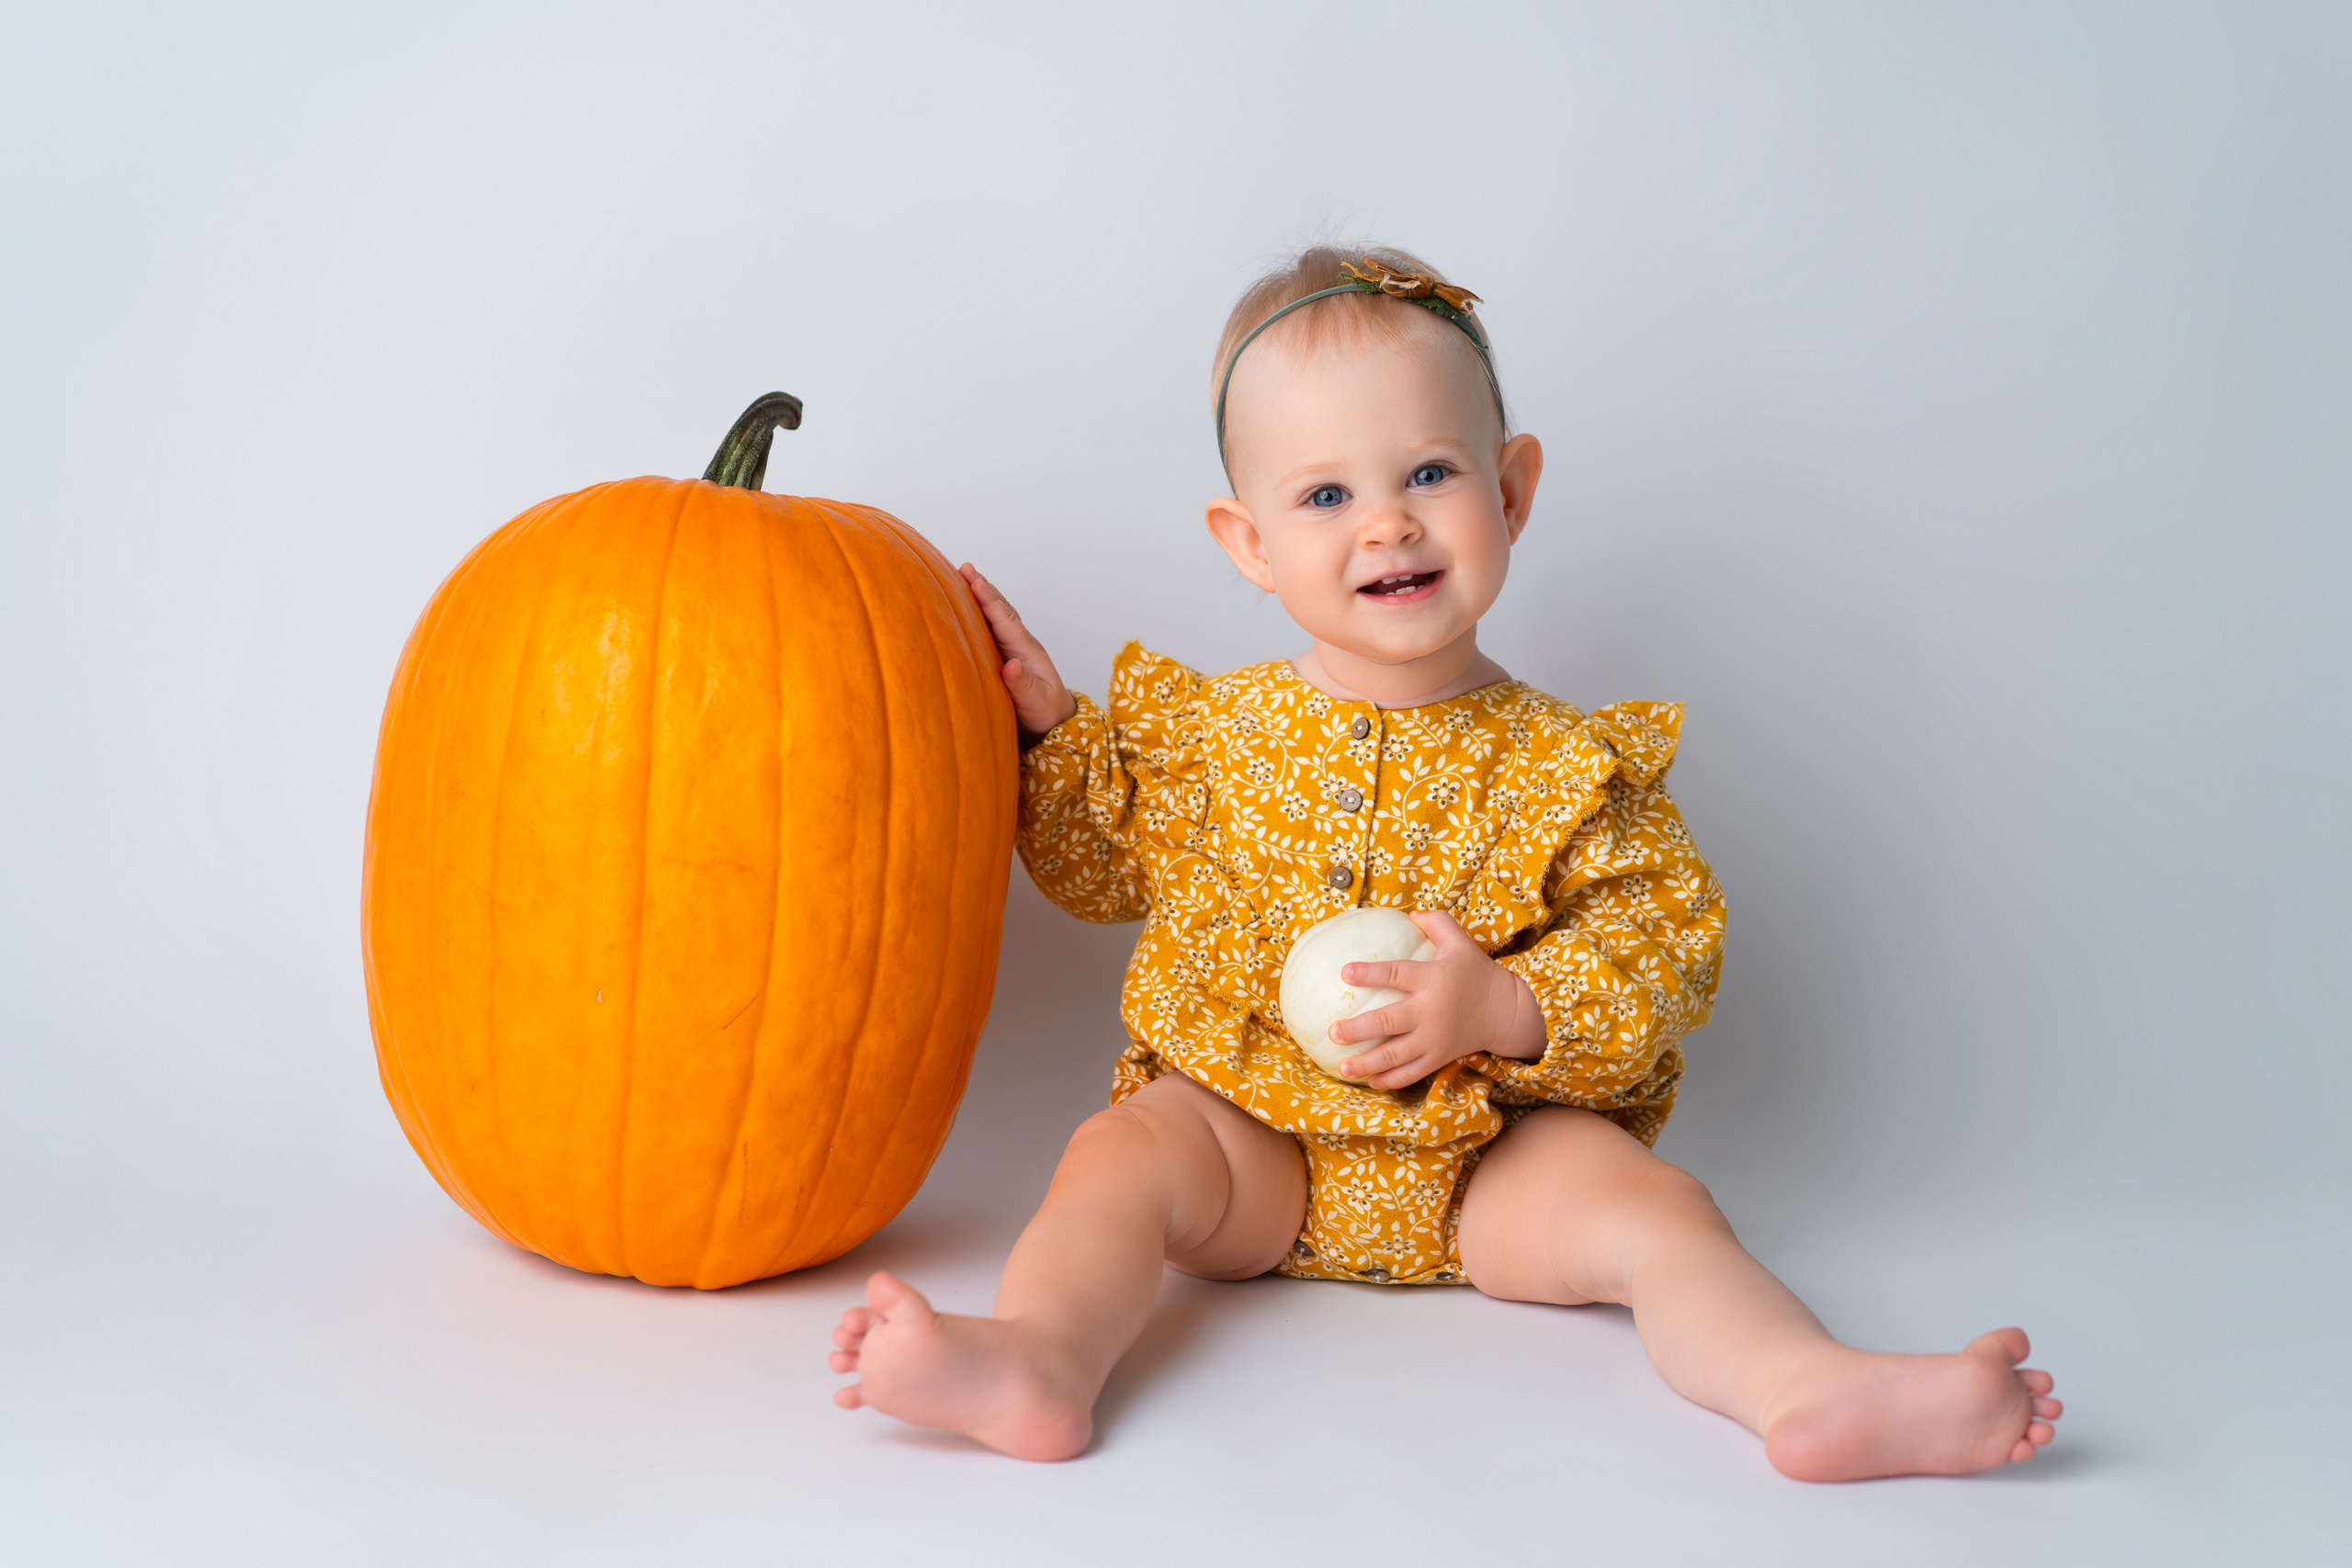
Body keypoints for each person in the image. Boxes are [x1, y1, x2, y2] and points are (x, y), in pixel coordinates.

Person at [826, 245, 2061, 1480]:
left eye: (1428, 471)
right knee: (1119, 1157)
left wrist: (1505, 1005)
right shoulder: (1209, 737)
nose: (1387, 522)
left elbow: (1662, 959)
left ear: (1511, 492)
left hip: (1492, 1165)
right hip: (1255, 1148)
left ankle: (1805, 1386)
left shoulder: (1567, 768)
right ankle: (1039, 1358)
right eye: (1323, 498)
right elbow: (1099, 872)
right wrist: (1048, 729)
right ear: (1248, 543)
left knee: (1654, 1210)